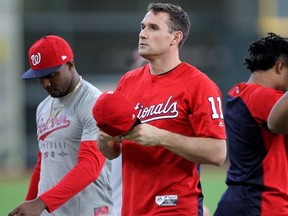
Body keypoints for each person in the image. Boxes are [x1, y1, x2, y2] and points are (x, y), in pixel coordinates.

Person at [96, 3, 227, 215]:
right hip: (132, 208)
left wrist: (160, 137)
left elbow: (218, 153)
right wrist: (104, 138)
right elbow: (111, 153)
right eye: (142, 26)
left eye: (153, 28)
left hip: (174, 207)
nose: (143, 34)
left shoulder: (199, 85)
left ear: (175, 38)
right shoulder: (127, 82)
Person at [8, 35, 114, 216]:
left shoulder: (93, 102)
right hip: (52, 211)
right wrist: (30, 201)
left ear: (70, 65)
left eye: (51, 75)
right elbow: (43, 163)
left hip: (89, 210)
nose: (45, 83)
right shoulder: (43, 107)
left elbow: (90, 166)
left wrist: (42, 202)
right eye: (39, 77)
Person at [214, 32, 288, 215]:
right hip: (263, 203)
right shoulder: (264, 98)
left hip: (236, 200)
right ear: (280, 67)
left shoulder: (237, 92)